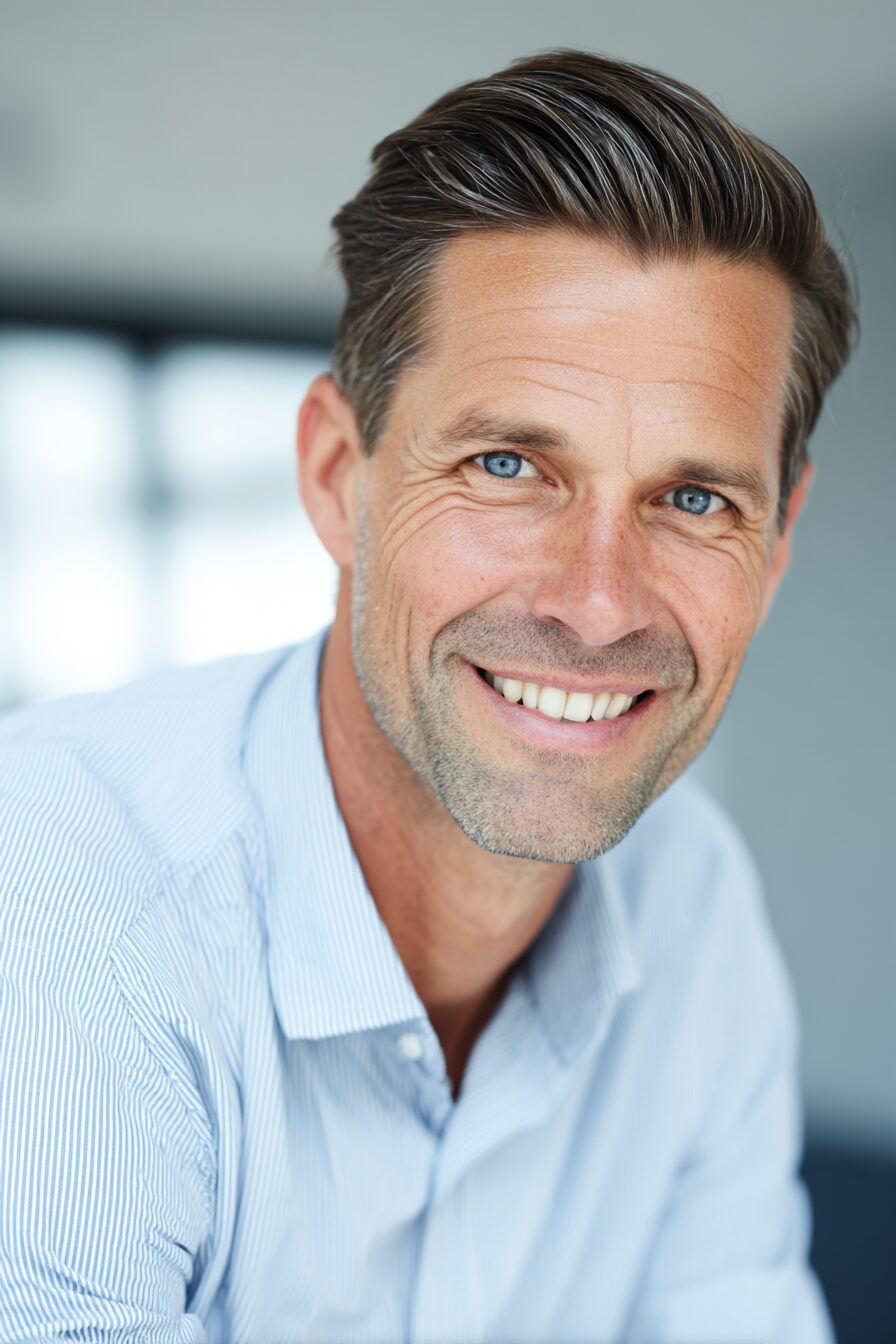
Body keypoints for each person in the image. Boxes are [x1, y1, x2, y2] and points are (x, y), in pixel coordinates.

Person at [0, 47, 855, 1344]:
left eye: (693, 499)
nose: (600, 603)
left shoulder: (695, 907)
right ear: (343, 476)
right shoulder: (59, 902)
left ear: (777, 541)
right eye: (509, 463)